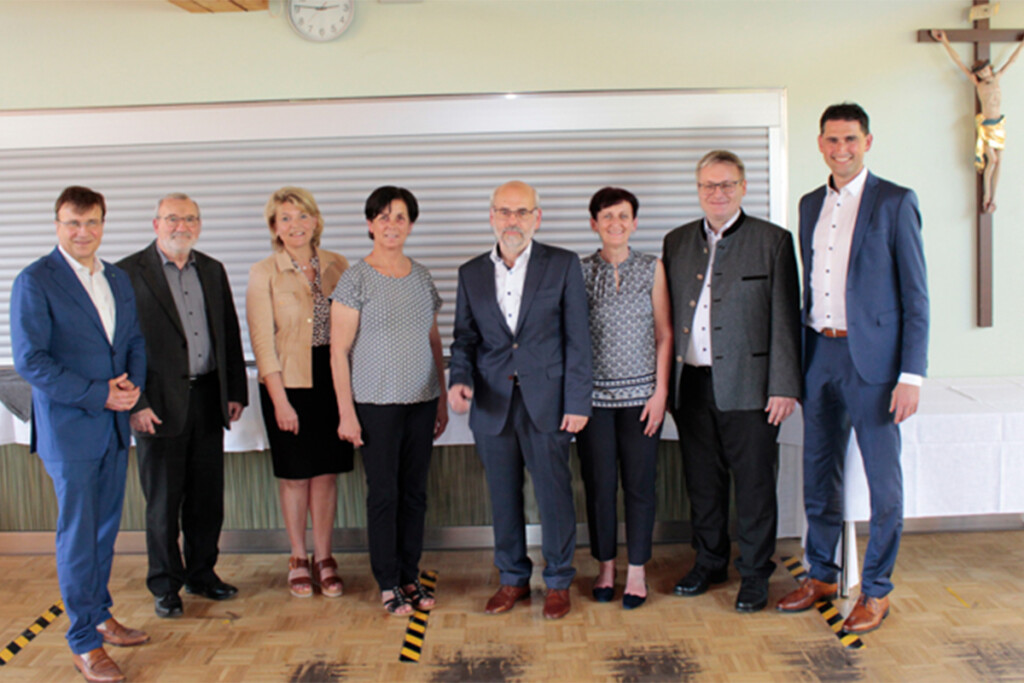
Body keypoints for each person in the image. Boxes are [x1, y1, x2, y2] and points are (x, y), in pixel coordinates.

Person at [776, 104, 929, 634]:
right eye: (832, 139)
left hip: (877, 365)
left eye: (851, 139)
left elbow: (916, 296)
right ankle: (821, 575)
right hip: (819, 353)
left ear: (867, 141)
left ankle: (876, 590)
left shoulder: (895, 201)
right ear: (819, 143)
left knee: (885, 486)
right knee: (818, 475)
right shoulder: (809, 203)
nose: (841, 148)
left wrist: (911, 375)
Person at [11, 186, 149, 683]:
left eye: (92, 223)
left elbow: (133, 338)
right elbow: (32, 361)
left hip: (113, 425)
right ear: (57, 225)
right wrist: (100, 394)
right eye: (73, 223)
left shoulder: (114, 276)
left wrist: (132, 389)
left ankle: (100, 613)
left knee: (104, 531)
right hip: (71, 430)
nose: (83, 232)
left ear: (103, 224)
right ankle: (83, 642)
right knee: (78, 537)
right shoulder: (35, 280)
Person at [663, 150, 801, 613]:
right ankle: (709, 562)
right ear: (698, 190)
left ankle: (757, 573)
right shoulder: (677, 242)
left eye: (726, 185)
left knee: (755, 484)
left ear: (743, 187)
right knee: (703, 482)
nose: (717, 193)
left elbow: (786, 319)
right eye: (708, 186)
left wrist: (784, 385)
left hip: (753, 387)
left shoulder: (773, 241)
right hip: (692, 385)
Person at [449, 180, 592, 620]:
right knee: (503, 496)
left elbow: (578, 340)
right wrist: (459, 379)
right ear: (492, 216)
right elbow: (464, 339)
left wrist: (577, 402)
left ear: (537, 217)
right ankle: (512, 578)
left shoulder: (563, 264)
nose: (513, 220)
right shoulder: (470, 272)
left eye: (522, 212)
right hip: (492, 404)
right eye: (505, 212)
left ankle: (558, 581)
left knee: (553, 494)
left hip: (548, 401)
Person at [117, 193, 249, 619]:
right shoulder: (125, 274)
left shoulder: (211, 269)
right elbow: (119, 347)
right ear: (155, 224)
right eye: (173, 218)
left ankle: (202, 574)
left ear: (199, 224)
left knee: (206, 500)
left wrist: (235, 391)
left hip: (208, 397)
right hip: (156, 407)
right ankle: (165, 585)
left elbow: (227, 332)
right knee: (163, 504)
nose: (182, 226)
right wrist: (137, 401)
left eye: (190, 218)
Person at [330, 186, 447, 615]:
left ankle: (410, 575)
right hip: (374, 405)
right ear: (369, 224)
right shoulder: (355, 278)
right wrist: (346, 412)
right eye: (383, 217)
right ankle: (387, 581)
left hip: (421, 399)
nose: (391, 225)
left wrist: (439, 399)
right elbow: (338, 351)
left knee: (415, 493)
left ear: (411, 224)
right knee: (384, 493)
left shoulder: (421, 276)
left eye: (400, 217)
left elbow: (432, 339)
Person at [248, 187, 354, 599]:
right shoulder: (263, 272)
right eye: (285, 218)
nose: (295, 225)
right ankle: (297, 557)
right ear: (275, 227)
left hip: (332, 380)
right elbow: (261, 340)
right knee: (295, 477)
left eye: (301, 216)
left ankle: (325, 557)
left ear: (315, 220)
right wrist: (279, 400)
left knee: (326, 474)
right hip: (288, 383)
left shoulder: (337, 265)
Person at [576, 187, 672, 610]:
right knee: (599, 486)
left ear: (634, 222)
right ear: (594, 223)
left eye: (623, 216)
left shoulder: (653, 268)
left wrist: (661, 393)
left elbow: (665, 333)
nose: (615, 223)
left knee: (639, 485)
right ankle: (606, 565)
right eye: (606, 216)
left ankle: (637, 570)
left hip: (641, 398)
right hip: (593, 400)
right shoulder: (577, 271)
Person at [931, 29, 1024, 213]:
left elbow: (1012, 60)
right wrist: (945, 41)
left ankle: (994, 197)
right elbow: (959, 62)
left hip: (999, 124)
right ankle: (986, 195)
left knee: (1000, 160)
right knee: (993, 160)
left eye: (985, 70)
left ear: (990, 68)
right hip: (987, 126)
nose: (983, 74)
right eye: (980, 73)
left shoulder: (997, 78)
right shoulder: (978, 84)